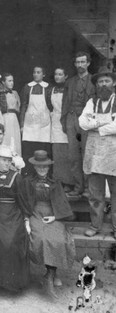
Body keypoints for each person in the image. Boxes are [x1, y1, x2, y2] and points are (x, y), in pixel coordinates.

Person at [22, 150, 75, 299]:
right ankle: (50, 276)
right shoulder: (28, 182)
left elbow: (61, 203)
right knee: (41, 238)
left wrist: (55, 216)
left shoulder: (55, 182)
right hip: (35, 213)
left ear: (48, 168)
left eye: (45, 167)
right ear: (34, 167)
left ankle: (50, 275)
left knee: (57, 238)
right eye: (39, 167)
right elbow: (25, 202)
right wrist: (26, 219)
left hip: (53, 214)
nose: (42, 170)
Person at [0, 147, 29, 292]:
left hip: (13, 212)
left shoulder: (17, 177)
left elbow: (22, 199)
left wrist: (26, 217)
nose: (6, 163)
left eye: (9, 160)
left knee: (12, 240)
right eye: (3, 160)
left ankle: (13, 282)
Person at [79, 68, 116, 238]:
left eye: (106, 81)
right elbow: (82, 123)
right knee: (95, 195)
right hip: (94, 155)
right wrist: (105, 124)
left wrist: (96, 125)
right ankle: (95, 226)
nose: (103, 84)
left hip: (113, 154)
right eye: (100, 82)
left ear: (113, 83)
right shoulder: (91, 102)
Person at [61, 52, 95, 197]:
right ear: (75, 64)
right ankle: (78, 186)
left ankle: (88, 188)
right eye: (77, 62)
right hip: (72, 119)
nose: (80, 65)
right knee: (73, 155)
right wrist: (64, 120)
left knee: (87, 153)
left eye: (83, 62)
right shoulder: (70, 82)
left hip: (86, 120)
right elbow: (64, 103)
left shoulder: (94, 80)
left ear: (88, 63)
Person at [20, 66, 52, 177]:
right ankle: (29, 175)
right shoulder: (28, 87)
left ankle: (43, 175)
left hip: (44, 125)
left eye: (38, 72)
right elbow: (23, 105)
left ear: (43, 74)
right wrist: (22, 124)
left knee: (43, 150)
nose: (36, 74)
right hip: (30, 124)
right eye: (34, 72)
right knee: (29, 150)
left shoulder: (47, 87)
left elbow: (51, 106)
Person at [48, 68, 75, 190]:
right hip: (55, 122)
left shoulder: (68, 90)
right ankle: (58, 181)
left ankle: (68, 182)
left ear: (66, 76)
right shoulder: (51, 90)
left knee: (66, 153)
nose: (57, 76)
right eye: (56, 74)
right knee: (57, 153)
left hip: (65, 120)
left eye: (60, 74)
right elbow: (49, 106)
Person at [0, 73, 22, 155]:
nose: (12, 83)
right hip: (5, 118)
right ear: (3, 82)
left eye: (12, 81)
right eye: (9, 81)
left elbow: (18, 107)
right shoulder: (0, 93)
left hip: (14, 119)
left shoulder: (15, 93)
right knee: (6, 139)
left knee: (14, 140)